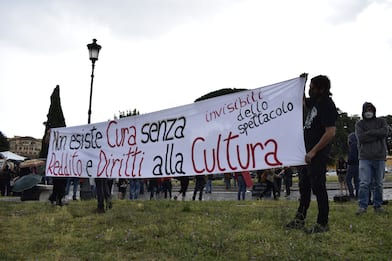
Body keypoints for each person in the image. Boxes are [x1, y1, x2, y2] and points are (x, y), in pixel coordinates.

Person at [286, 74, 338, 234]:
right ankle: (299, 218)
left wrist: (314, 151)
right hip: (306, 153)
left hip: (316, 154)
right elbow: (302, 101)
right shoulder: (315, 102)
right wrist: (302, 83)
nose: (310, 91)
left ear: (321, 89)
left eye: (312, 88)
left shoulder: (327, 105)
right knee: (304, 187)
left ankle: (322, 223)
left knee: (318, 187)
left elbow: (330, 132)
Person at [355, 102, 388, 215]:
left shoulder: (381, 121)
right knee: (364, 183)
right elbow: (361, 138)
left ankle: (378, 206)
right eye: (366, 110)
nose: (369, 112)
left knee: (378, 183)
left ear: (374, 110)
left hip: (379, 157)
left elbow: (385, 132)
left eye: (370, 109)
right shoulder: (359, 124)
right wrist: (376, 135)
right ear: (363, 111)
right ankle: (362, 206)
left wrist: (369, 133)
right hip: (365, 158)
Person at [346, 132, 359, 199]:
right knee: (357, 180)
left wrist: (348, 161)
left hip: (352, 165)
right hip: (358, 164)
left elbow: (352, 156)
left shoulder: (352, 146)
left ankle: (351, 194)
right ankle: (357, 194)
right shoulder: (358, 145)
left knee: (348, 179)